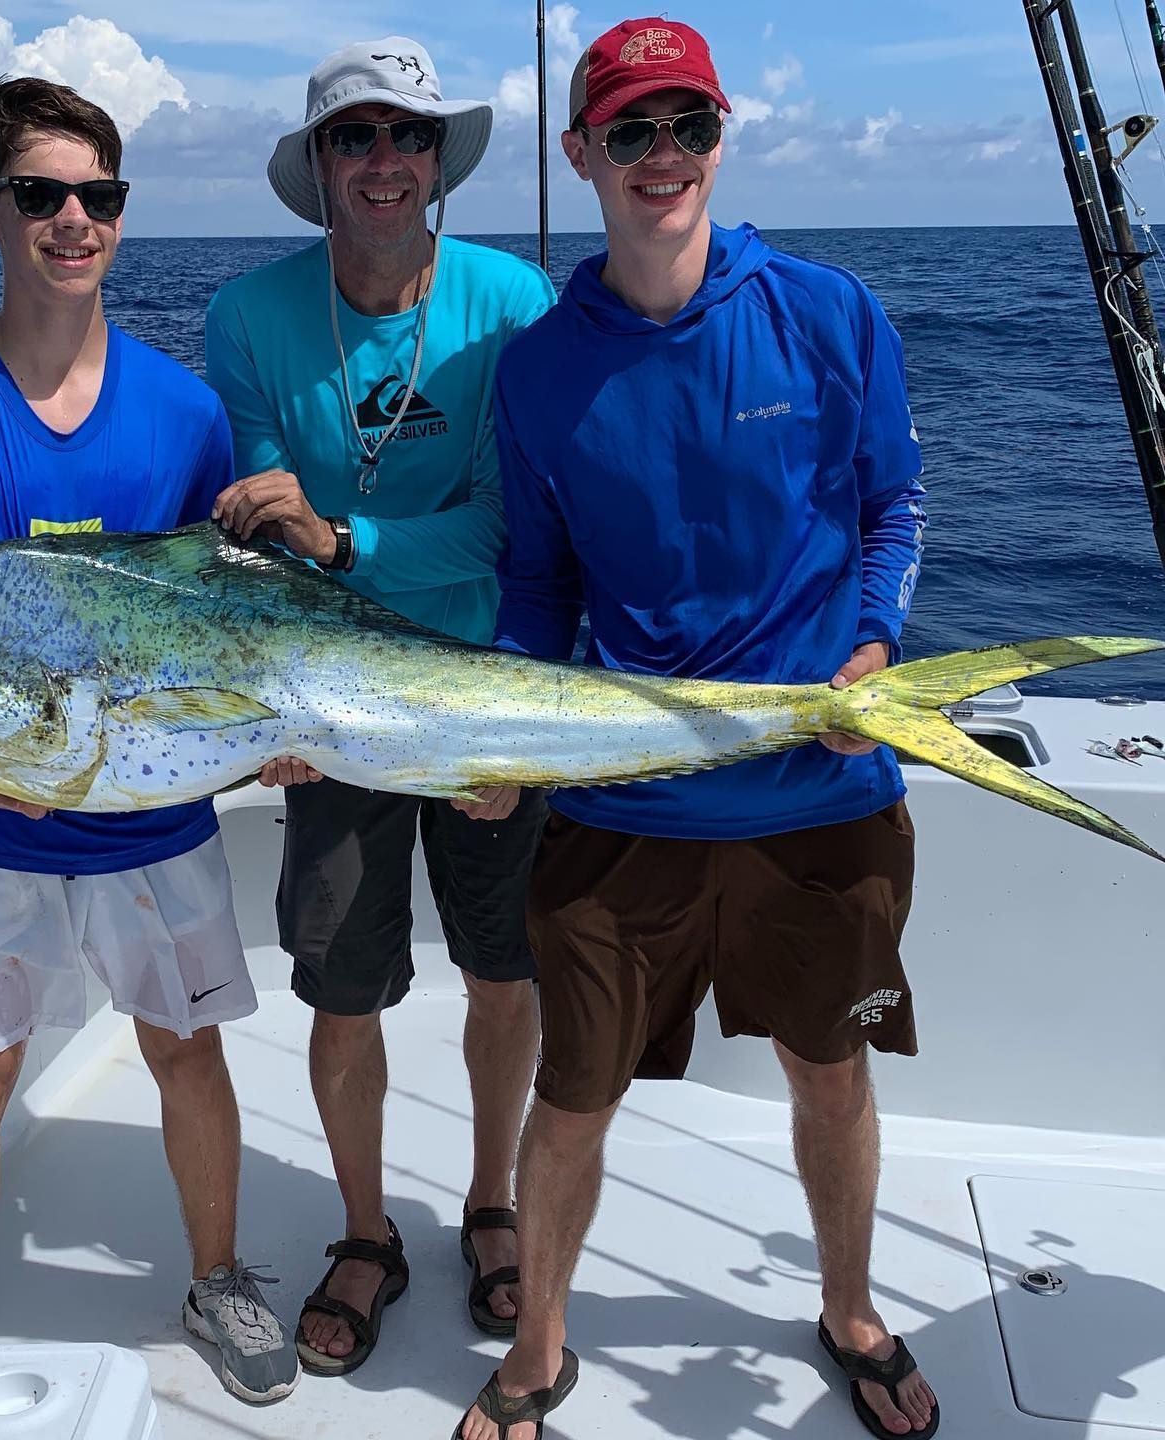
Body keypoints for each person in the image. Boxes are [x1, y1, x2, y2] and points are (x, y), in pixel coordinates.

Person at [455, 17, 937, 1440]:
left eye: (688, 126)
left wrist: (871, 648)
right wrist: (508, 732)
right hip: (624, 806)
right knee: (575, 1092)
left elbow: (894, 505)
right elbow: (537, 587)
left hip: (819, 793)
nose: (662, 156)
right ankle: (538, 1350)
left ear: (723, 136)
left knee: (830, 1071)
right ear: (580, 156)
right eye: (630, 131)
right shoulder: (540, 371)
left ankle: (847, 1306)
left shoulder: (830, 311)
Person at [0, 75, 299, 1406]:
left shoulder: (183, 411)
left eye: (98, 196)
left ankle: (218, 1280)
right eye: (41, 195)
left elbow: (221, 620)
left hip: (160, 819)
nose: (73, 219)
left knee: (186, 1052)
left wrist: (268, 727)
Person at [205, 39, 556, 1375]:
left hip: (479, 691)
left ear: (437, 159)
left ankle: (490, 1202)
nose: (385, 162)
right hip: (329, 704)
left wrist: (348, 544)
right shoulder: (248, 317)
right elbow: (256, 536)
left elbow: (511, 529)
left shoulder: (514, 300)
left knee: (502, 967)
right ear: (322, 168)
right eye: (356, 139)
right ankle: (367, 1231)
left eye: (407, 135)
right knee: (343, 986)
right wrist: (262, 710)